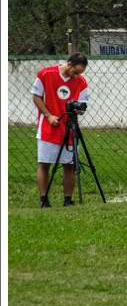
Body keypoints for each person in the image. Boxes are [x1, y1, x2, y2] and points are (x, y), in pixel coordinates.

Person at [31, 52, 89, 207]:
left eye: (80, 74)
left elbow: (83, 105)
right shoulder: (46, 74)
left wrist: (80, 110)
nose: (77, 76)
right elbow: (36, 96)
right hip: (49, 128)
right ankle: (44, 200)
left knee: (69, 165)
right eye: (75, 72)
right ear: (68, 64)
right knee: (44, 164)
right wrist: (49, 115)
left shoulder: (81, 82)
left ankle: (68, 200)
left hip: (70, 129)